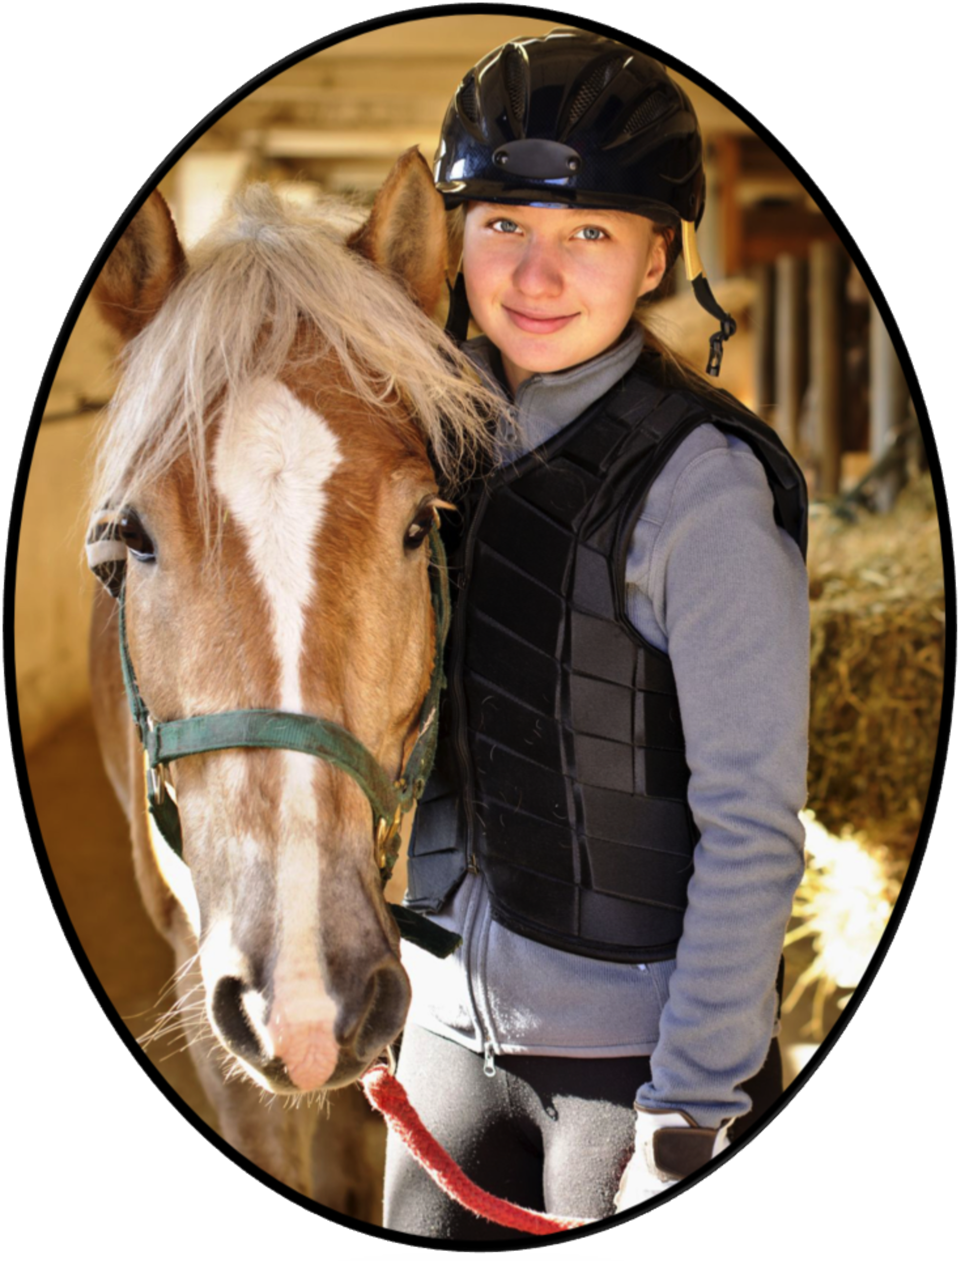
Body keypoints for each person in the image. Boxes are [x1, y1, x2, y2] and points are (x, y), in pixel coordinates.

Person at [383, 29, 809, 1239]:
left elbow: (751, 823)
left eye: (591, 233)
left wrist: (691, 1113)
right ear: (455, 235)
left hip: (637, 1077)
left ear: (659, 255)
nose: (536, 272)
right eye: (504, 223)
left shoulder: (703, 491)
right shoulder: (419, 451)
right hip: (445, 1050)